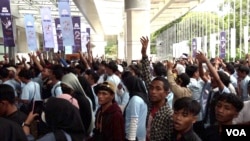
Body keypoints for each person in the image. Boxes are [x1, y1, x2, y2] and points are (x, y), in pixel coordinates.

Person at [122, 75, 149, 141]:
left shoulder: (135, 99)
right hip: (139, 135)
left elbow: (134, 120)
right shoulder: (141, 97)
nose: (125, 87)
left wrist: (131, 139)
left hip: (134, 136)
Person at [146, 77, 174, 141]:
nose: (153, 91)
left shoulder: (169, 115)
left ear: (166, 93)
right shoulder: (148, 107)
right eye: (151, 88)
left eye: (158, 89)